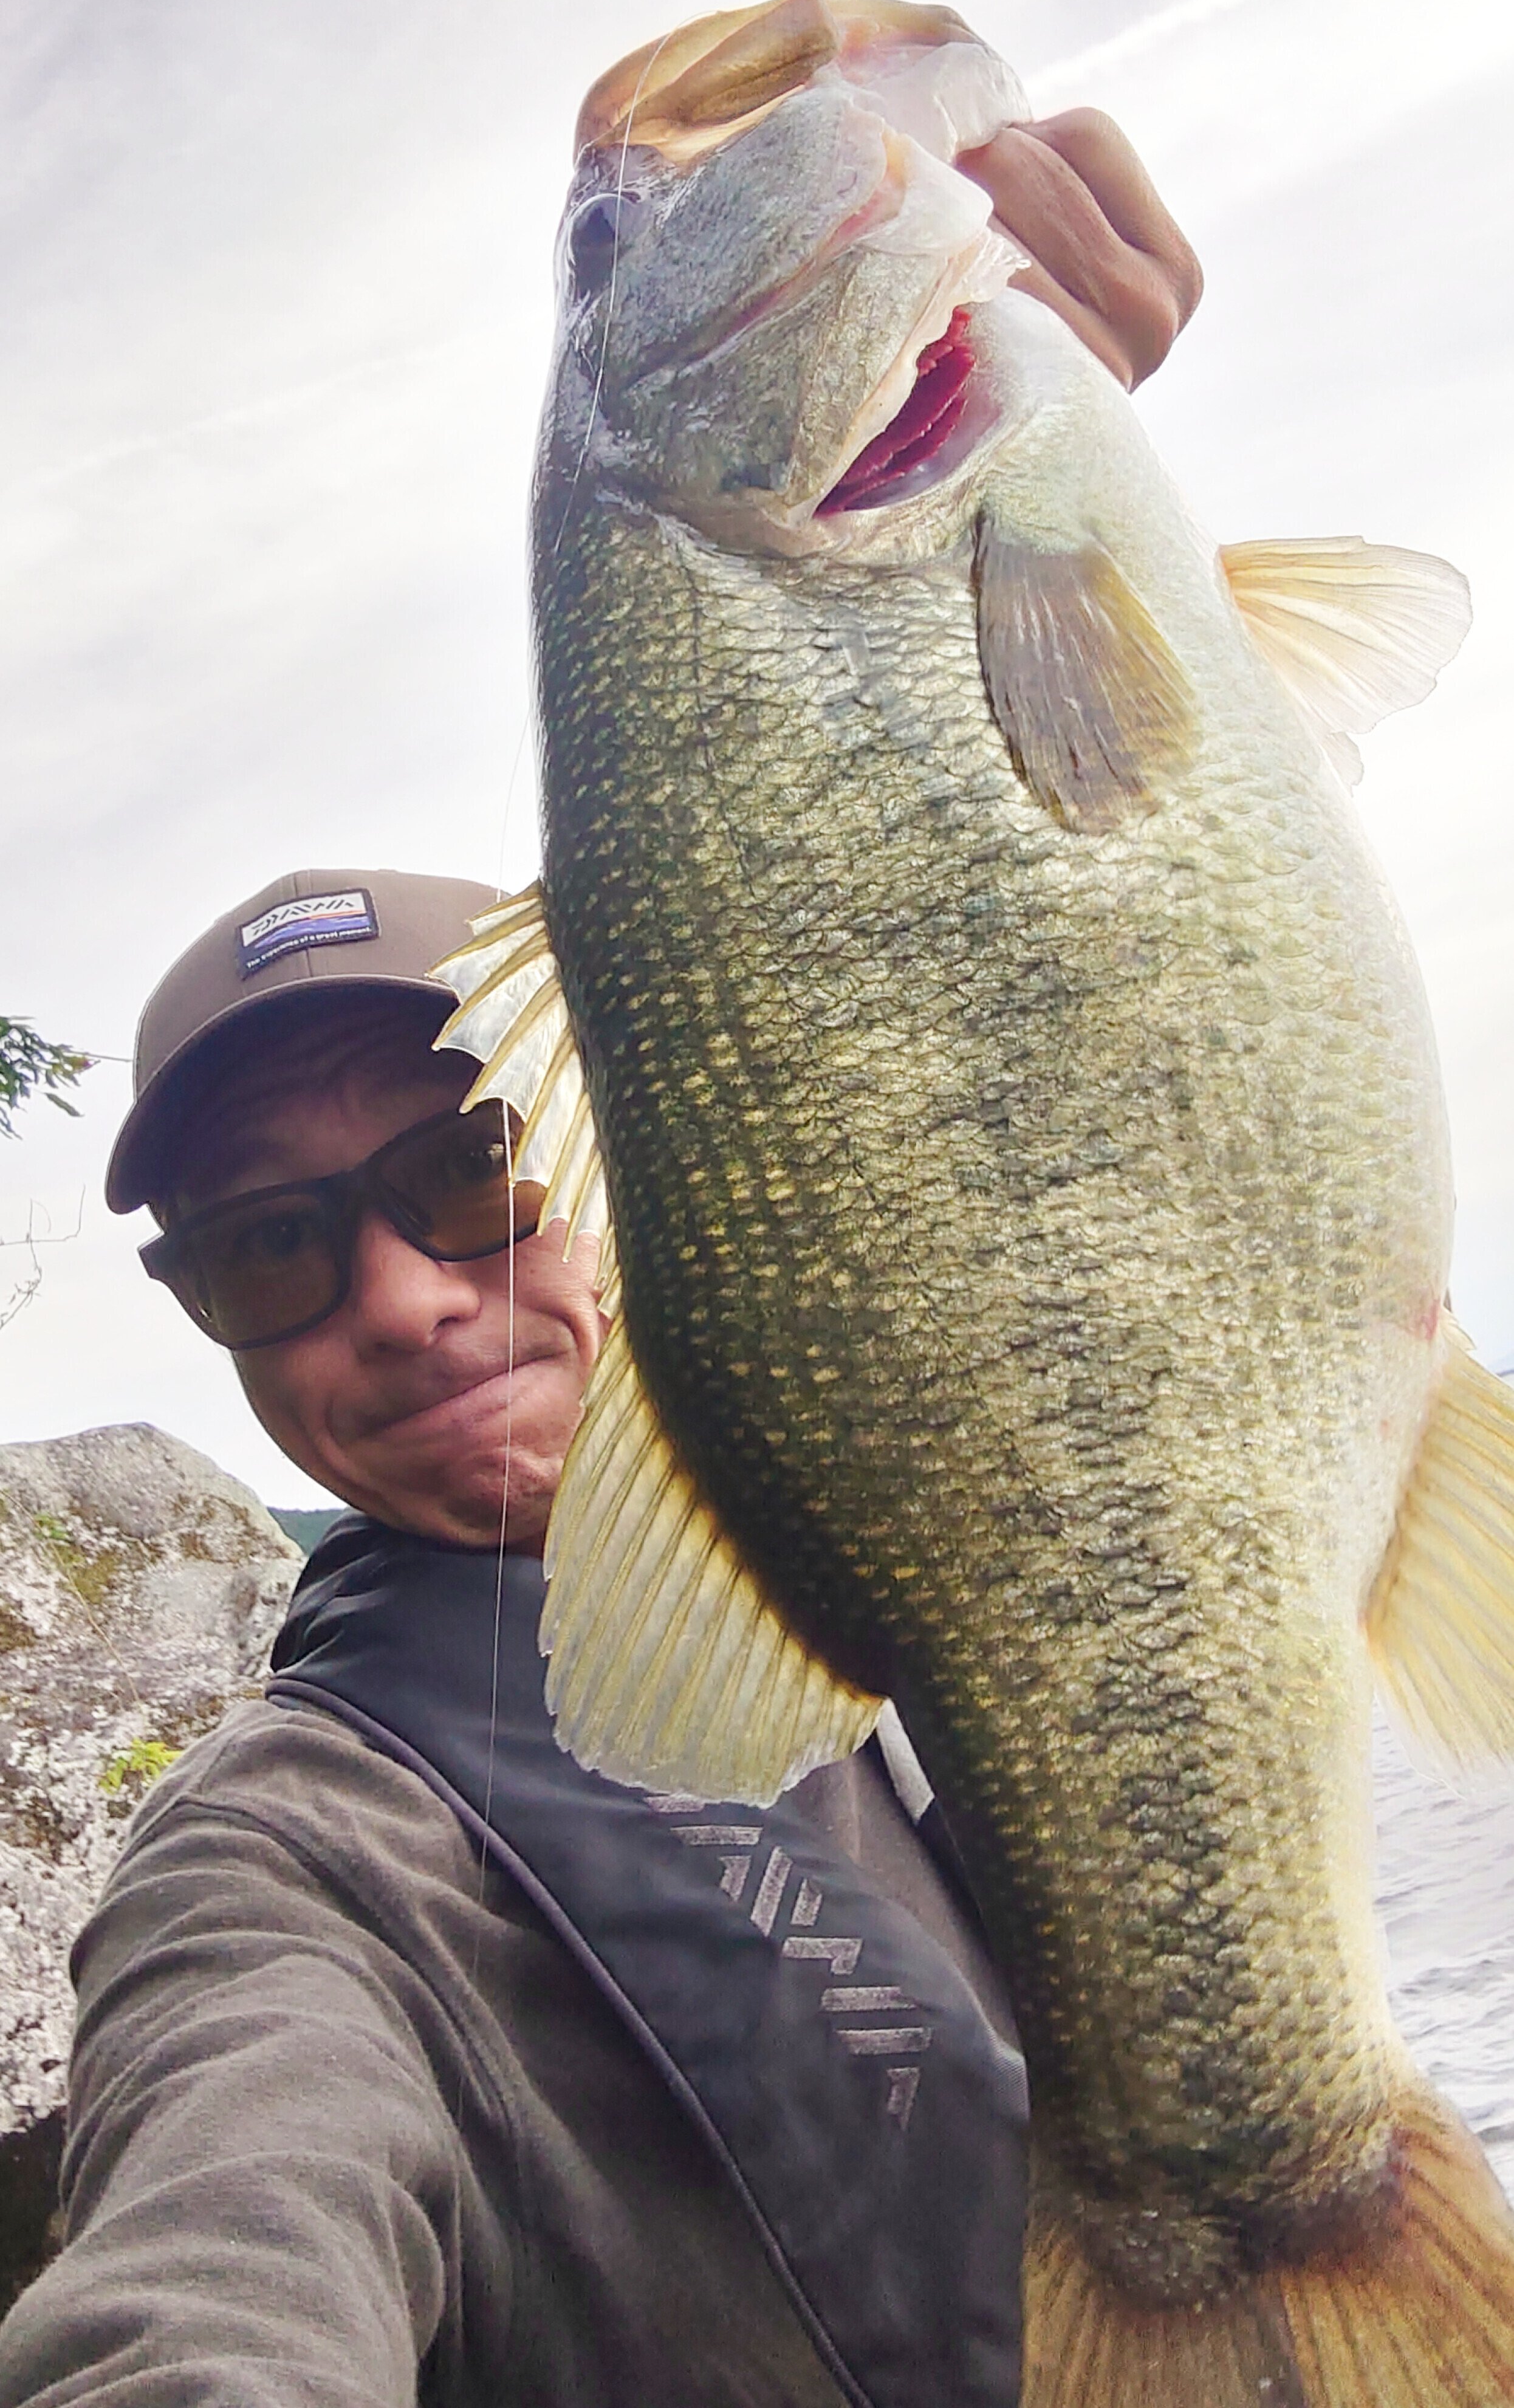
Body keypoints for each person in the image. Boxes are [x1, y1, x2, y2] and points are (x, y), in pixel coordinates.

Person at [0, 117, 1201, 2406]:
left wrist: (1028, 463)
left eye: (467, 1167)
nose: (402, 1298)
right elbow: (216, 2259)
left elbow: (1094, 982)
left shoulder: (922, 1545)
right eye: (267, 1247)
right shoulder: (286, 1866)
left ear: (657, 1136)